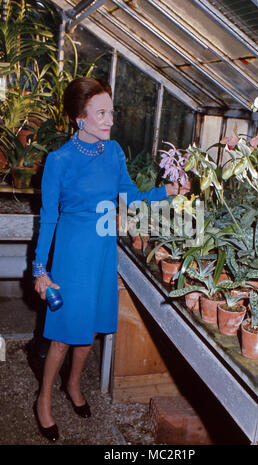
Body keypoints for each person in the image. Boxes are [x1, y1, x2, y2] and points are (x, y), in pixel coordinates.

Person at [32, 77, 191, 442]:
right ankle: (43, 399)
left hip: (104, 252)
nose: (110, 121)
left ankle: (73, 387)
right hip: (71, 256)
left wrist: (168, 190)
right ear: (79, 117)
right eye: (101, 113)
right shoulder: (59, 161)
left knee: (88, 332)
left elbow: (131, 199)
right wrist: (41, 270)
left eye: (111, 112)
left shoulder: (115, 151)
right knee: (62, 336)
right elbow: (50, 218)